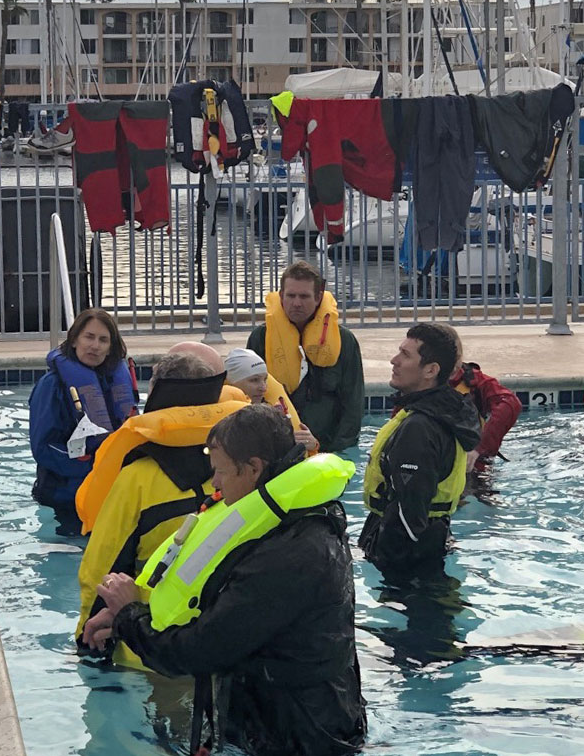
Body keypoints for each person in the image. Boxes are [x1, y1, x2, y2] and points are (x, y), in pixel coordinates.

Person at [83, 404, 367, 756]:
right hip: (295, 716)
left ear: (253, 469)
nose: (214, 483)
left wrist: (129, 616)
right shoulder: (295, 519)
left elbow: (200, 650)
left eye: (219, 472)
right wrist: (134, 614)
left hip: (299, 735)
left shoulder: (290, 555)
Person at [75, 352, 247, 662]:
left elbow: (102, 567)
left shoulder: (136, 479)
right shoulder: (240, 470)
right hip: (227, 641)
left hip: (151, 645)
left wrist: (85, 640)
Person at [359, 323, 481, 574]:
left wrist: (390, 569)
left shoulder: (419, 428)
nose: (394, 361)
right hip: (430, 545)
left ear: (430, 370)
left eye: (405, 355)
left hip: (407, 563)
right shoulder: (444, 411)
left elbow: (408, 515)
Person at [28, 308, 135, 535]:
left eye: (103, 340)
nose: (95, 346)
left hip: (110, 490)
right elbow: (43, 447)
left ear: (110, 348)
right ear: (74, 339)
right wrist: (93, 467)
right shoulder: (51, 385)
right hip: (65, 494)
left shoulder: (115, 383)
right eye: (89, 337)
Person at [246, 261, 364, 453]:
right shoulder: (260, 338)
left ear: (318, 298)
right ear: (281, 296)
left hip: (327, 449)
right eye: (291, 296)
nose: (297, 303)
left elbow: (353, 406)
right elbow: (249, 399)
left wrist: (335, 452)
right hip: (276, 446)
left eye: (304, 296)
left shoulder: (345, 341)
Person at [447, 333, 521, 471]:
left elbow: (510, 403)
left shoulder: (476, 381)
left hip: (472, 462)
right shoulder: (416, 383)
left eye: (455, 357)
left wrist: (480, 448)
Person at [224, 347, 318, 452]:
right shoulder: (224, 422)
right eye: (254, 380)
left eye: (265, 380)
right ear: (231, 383)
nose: (263, 388)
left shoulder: (273, 412)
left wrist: (312, 446)